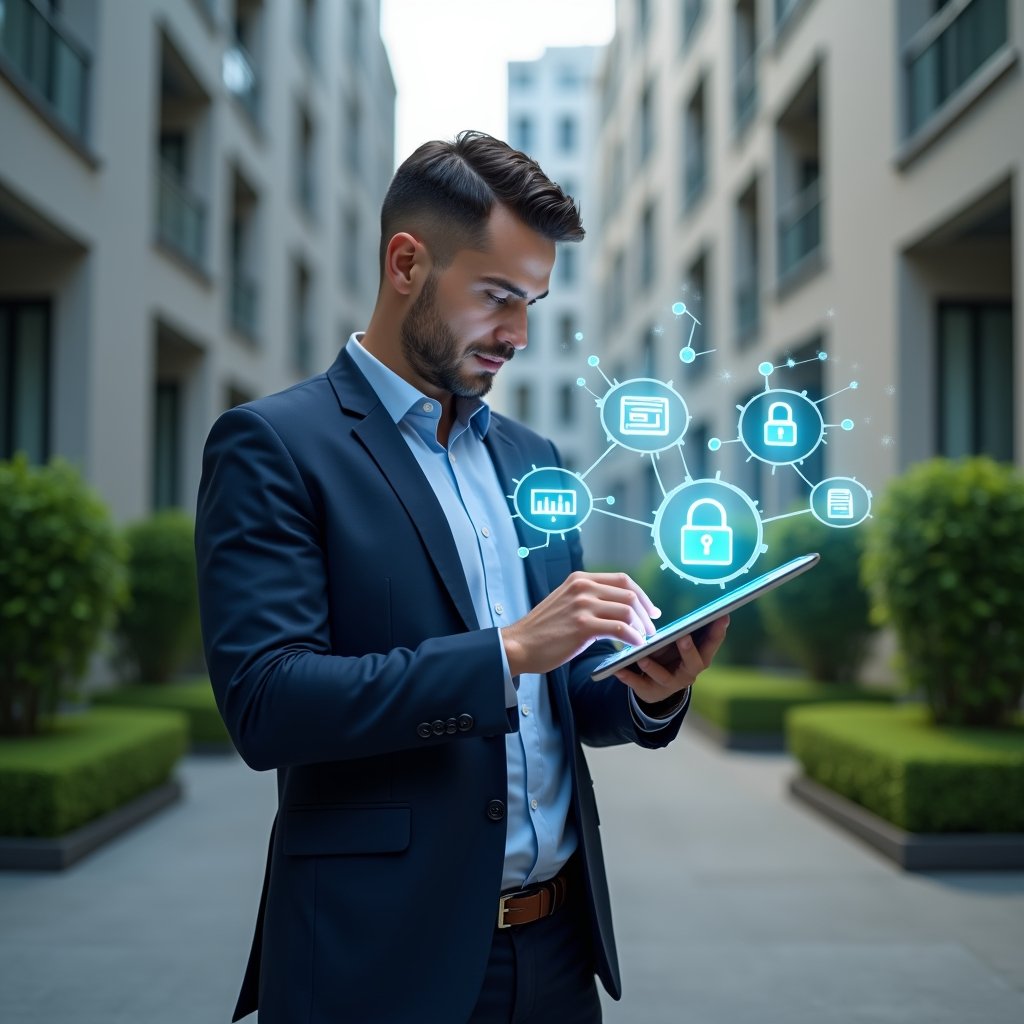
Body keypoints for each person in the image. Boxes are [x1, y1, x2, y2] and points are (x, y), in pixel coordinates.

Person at [195, 130, 728, 1024]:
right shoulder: (276, 446)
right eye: (496, 298)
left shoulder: (532, 459)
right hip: (380, 963)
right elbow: (267, 702)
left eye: (534, 304)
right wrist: (506, 650)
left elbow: (564, 697)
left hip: (559, 954)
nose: (518, 335)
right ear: (406, 262)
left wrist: (650, 689)